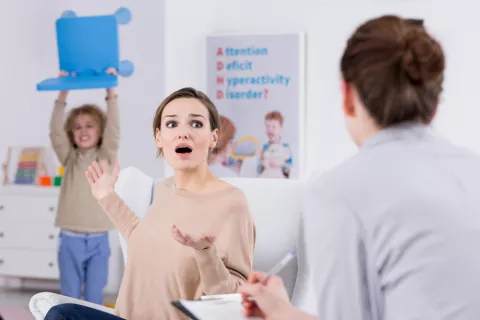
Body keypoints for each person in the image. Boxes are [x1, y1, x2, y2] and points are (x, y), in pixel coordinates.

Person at [239, 15, 480, 320]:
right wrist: (282, 310)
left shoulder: (337, 191)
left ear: (347, 96)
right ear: (433, 103)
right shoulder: (474, 171)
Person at [45, 87, 256, 320]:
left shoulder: (232, 202)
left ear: (213, 137)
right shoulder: (164, 189)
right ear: (159, 138)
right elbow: (140, 238)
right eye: (172, 124)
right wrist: (106, 196)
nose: (182, 133)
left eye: (195, 124)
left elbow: (235, 300)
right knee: (59, 314)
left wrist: (204, 252)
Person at [50, 68, 120, 304]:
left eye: (90, 125)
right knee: (69, 296)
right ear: (72, 133)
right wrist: (62, 95)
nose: (83, 131)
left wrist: (110, 91)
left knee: (93, 298)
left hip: (99, 238)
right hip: (70, 238)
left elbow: (114, 130)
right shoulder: (69, 158)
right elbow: (55, 133)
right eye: (77, 127)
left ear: (100, 131)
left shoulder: (105, 155)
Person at [257, 111, 293, 179]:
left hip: (279, 179)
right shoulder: (264, 147)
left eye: (274, 127)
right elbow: (258, 169)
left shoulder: (285, 147)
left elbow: (290, 169)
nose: (270, 129)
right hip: (265, 178)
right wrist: (262, 163)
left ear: (281, 129)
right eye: (267, 126)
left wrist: (281, 164)